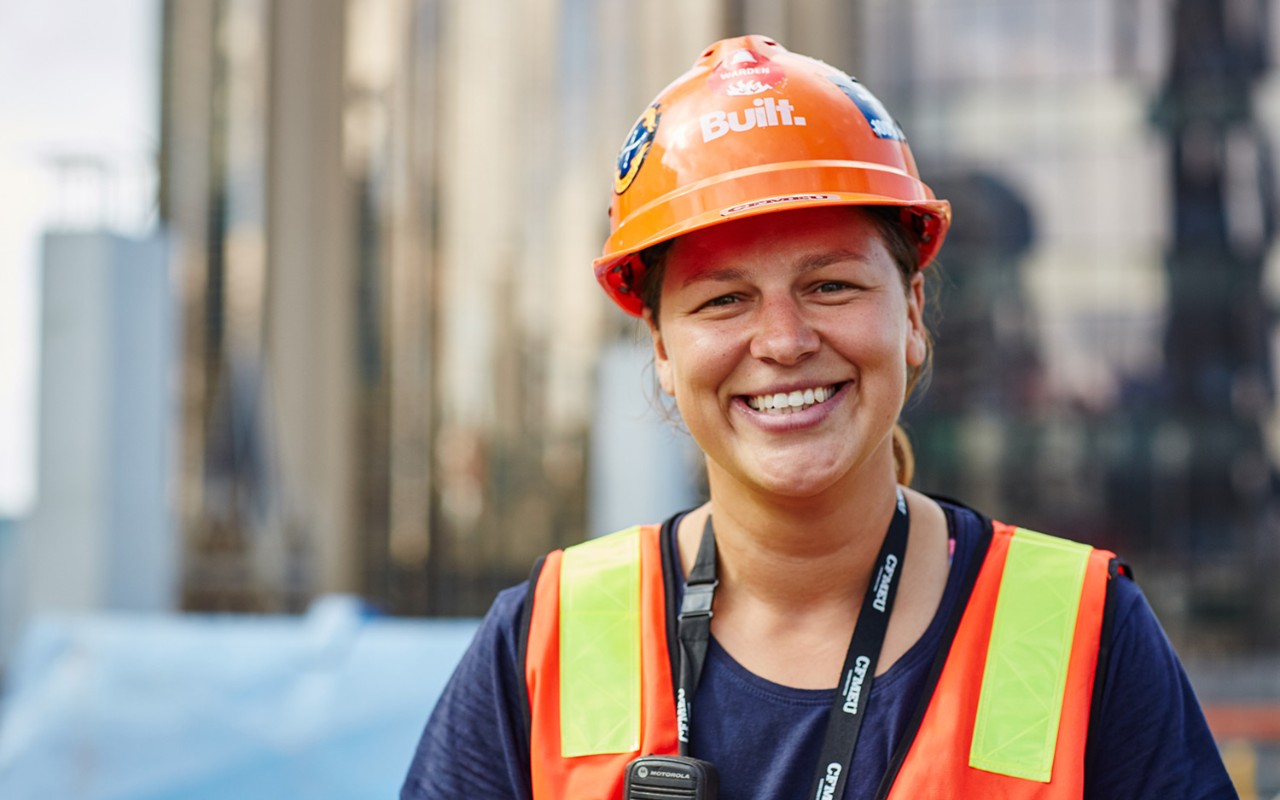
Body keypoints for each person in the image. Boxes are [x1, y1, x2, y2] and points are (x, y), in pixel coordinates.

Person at [401, 35, 1237, 800]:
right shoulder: (544, 640)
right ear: (659, 345)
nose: (783, 340)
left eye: (830, 285)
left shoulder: (1082, 637)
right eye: (724, 299)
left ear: (911, 312)